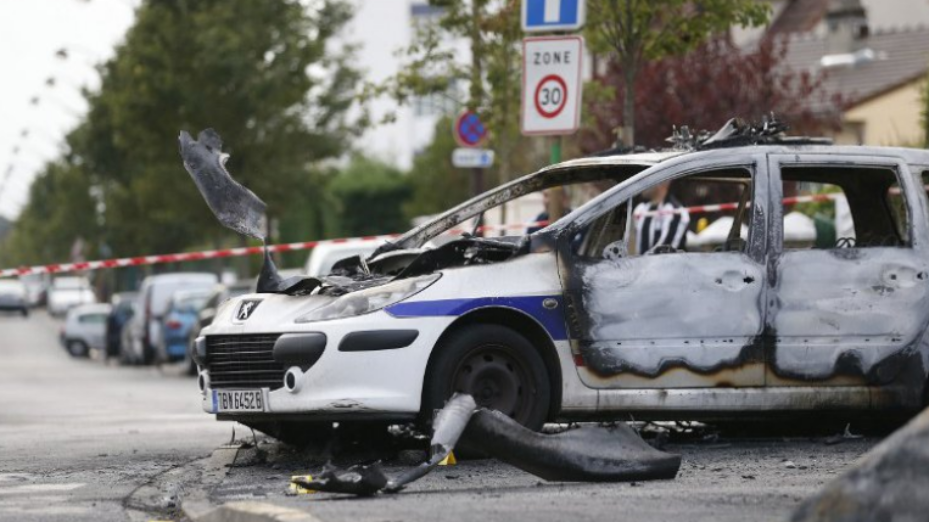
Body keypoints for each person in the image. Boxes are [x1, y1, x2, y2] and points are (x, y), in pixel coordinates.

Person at [634, 181, 690, 253]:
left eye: (649, 178)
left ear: (662, 183)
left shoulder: (676, 211)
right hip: (640, 263)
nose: (642, 183)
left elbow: (665, 252)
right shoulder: (641, 209)